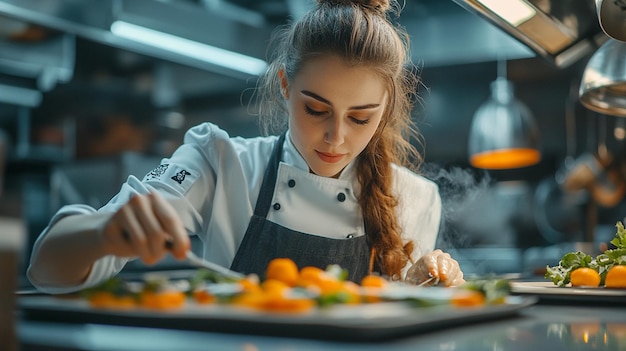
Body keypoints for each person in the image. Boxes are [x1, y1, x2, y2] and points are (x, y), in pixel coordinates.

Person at [27, 0, 464, 294]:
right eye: (316, 110)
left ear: (385, 110)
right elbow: (47, 269)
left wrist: (426, 285)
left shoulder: (414, 199)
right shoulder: (220, 163)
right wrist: (104, 234)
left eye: (360, 118)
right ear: (285, 85)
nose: (336, 137)